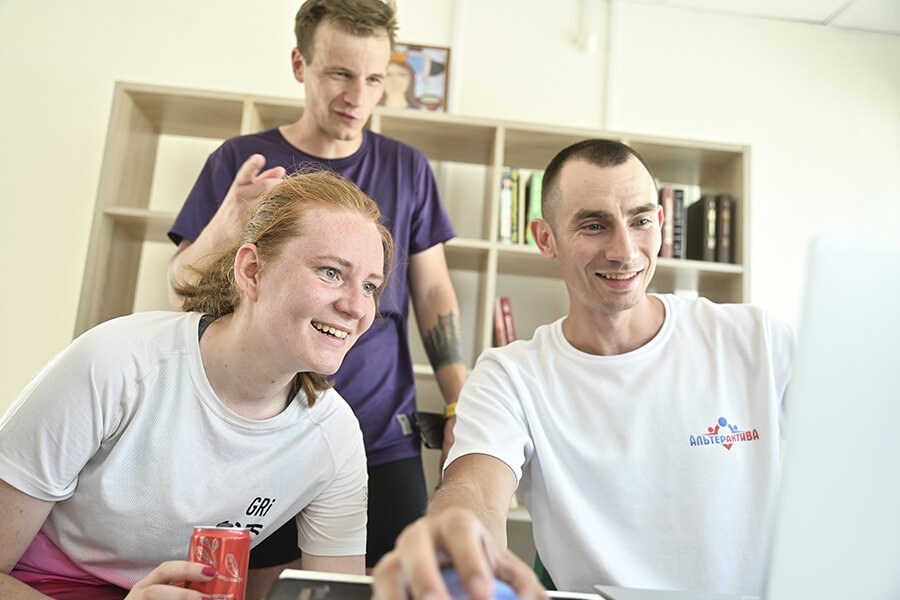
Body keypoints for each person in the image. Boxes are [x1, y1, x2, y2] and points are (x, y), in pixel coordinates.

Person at [371, 139, 796, 600]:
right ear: (545, 239)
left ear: (660, 222)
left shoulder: (756, 339)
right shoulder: (509, 376)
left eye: (641, 221)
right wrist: (454, 532)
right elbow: (474, 489)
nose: (625, 251)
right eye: (594, 226)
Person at [166, 0, 468, 579]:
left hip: (381, 434)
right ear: (299, 64)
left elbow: (434, 294)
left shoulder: (408, 168)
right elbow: (182, 291)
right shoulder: (240, 161)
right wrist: (225, 225)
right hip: (257, 434)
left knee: (391, 587)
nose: (357, 96)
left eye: (374, 79)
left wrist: (459, 402)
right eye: (340, 74)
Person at [0, 171, 393, 600]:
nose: (356, 307)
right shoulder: (115, 363)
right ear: (252, 271)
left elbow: (336, 594)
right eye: (331, 272)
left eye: (370, 286)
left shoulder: (335, 436)